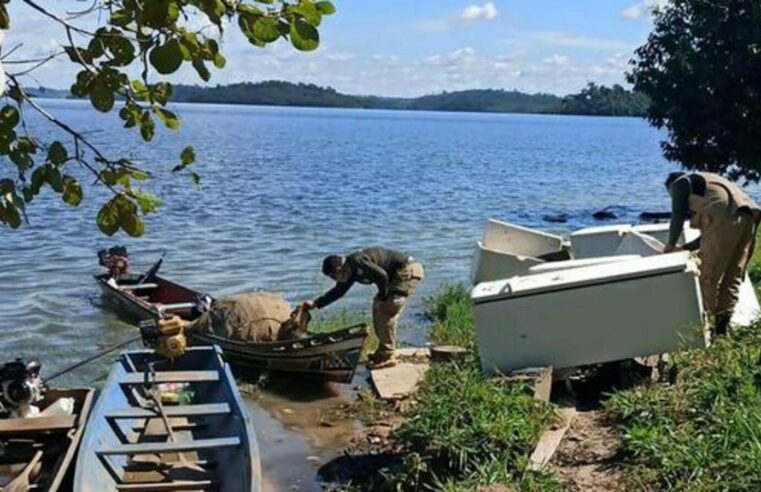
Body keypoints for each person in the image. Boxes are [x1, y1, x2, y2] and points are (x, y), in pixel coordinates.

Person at [663, 171, 761, 335]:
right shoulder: (709, 182)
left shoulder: (680, 184)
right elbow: (717, 233)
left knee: (708, 275)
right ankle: (722, 329)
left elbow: (677, 217)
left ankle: (704, 328)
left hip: (728, 218)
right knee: (733, 275)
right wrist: (686, 247)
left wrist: (670, 245)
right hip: (749, 217)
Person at [303, 247, 424, 368]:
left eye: (333, 276)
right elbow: (338, 292)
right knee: (378, 308)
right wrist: (316, 303)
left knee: (386, 309)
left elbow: (382, 276)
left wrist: (382, 297)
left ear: (338, 269)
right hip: (396, 276)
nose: (335, 279)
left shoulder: (357, 261)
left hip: (407, 270)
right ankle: (383, 352)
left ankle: (388, 356)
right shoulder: (349, 272)